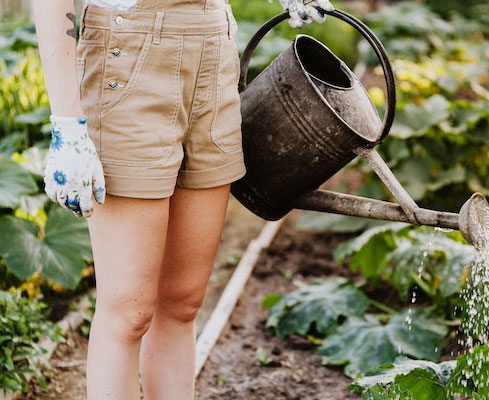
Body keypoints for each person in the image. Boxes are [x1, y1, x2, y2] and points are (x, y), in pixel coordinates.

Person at [31, 0, 332, 398]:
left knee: (183, 301)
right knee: (129, 313)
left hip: (213, 44)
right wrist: (67, 124)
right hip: (128, 55)